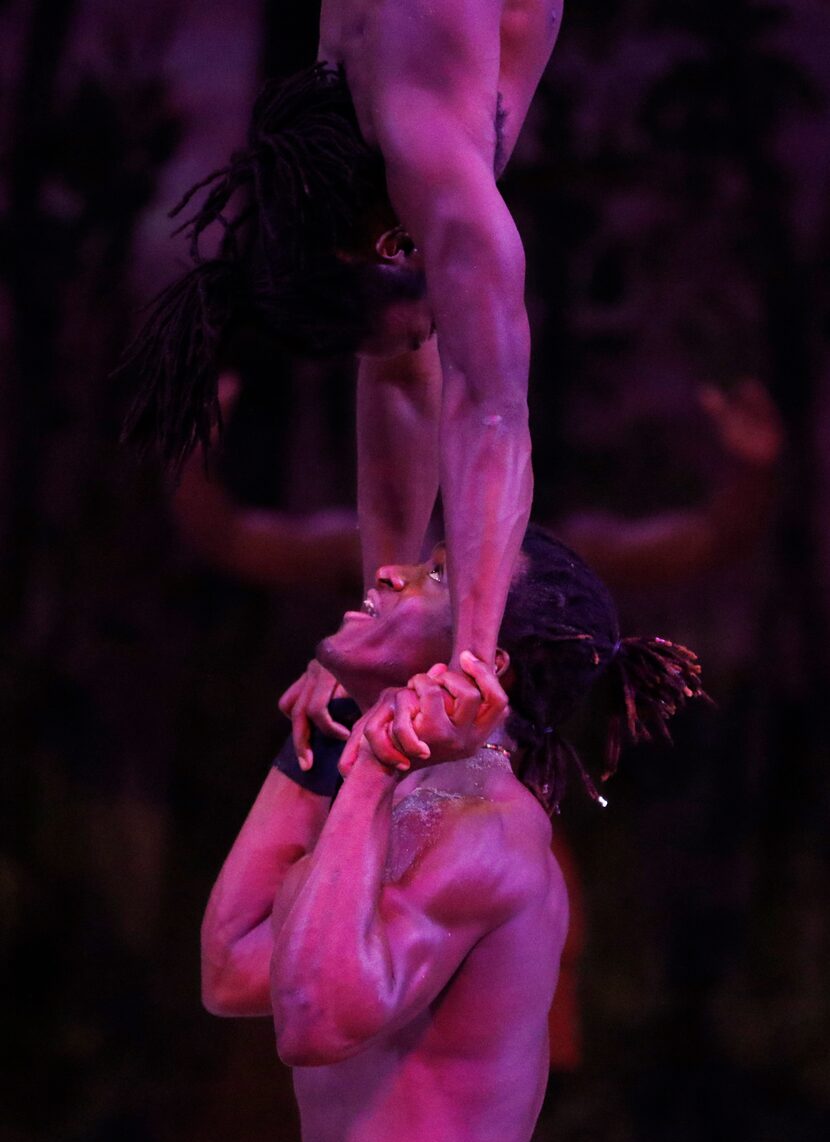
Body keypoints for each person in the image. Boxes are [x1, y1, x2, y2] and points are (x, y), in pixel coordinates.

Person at [201, 527, 705, 1142]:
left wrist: (374, 767)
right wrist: (327, 738)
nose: (389, 572)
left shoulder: (480, 827)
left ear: (484, 667)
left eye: (437, 575)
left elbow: (314, 1023)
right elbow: (234, 967)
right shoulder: (418, 799)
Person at [123, 1, 566, 721]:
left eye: (395, 254)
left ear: (386, 249)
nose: (426, 337)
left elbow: (492, 406)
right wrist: (381, 642)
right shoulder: (346, 141)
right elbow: (398, 370)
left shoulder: (426, 154)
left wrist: (469, 667)